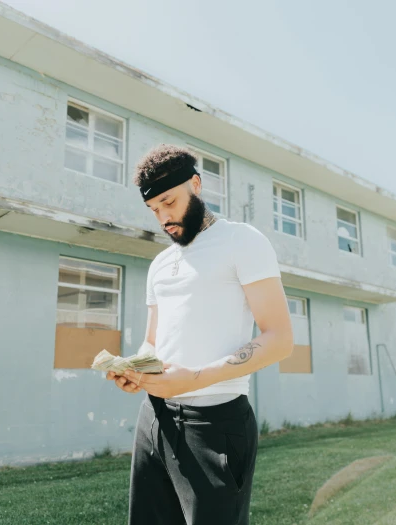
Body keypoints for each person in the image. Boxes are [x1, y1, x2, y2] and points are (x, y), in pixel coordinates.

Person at [107, 144, 293, 525]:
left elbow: (279, 338)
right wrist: (136, 369)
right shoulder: (160, 263)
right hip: (153, 420)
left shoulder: (243, 241)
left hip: (216, 425)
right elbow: (153, 343)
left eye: (169, 202)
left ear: (196, 184)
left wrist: (193, 379)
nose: (163, 217)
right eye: (154, 209)